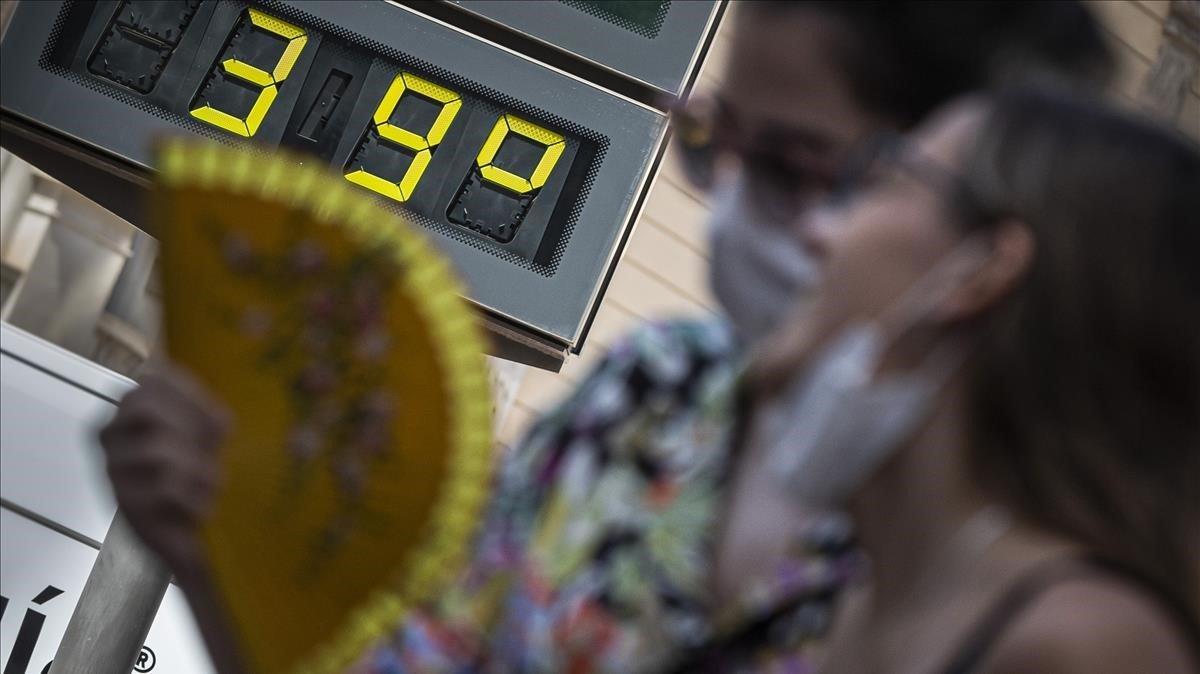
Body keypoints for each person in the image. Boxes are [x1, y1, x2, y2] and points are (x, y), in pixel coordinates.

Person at [97, 3, 1114, 672]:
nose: (741, 213)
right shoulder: (653, 394)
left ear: (971, 217)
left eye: (801, 166)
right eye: (713, 143)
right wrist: (218, 551)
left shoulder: (1034, 595)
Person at [736, 87, 1200, 673]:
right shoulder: (874, 596)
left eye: (882, 180)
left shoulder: (1083, 647)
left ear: (981, 273)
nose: (817, 230)